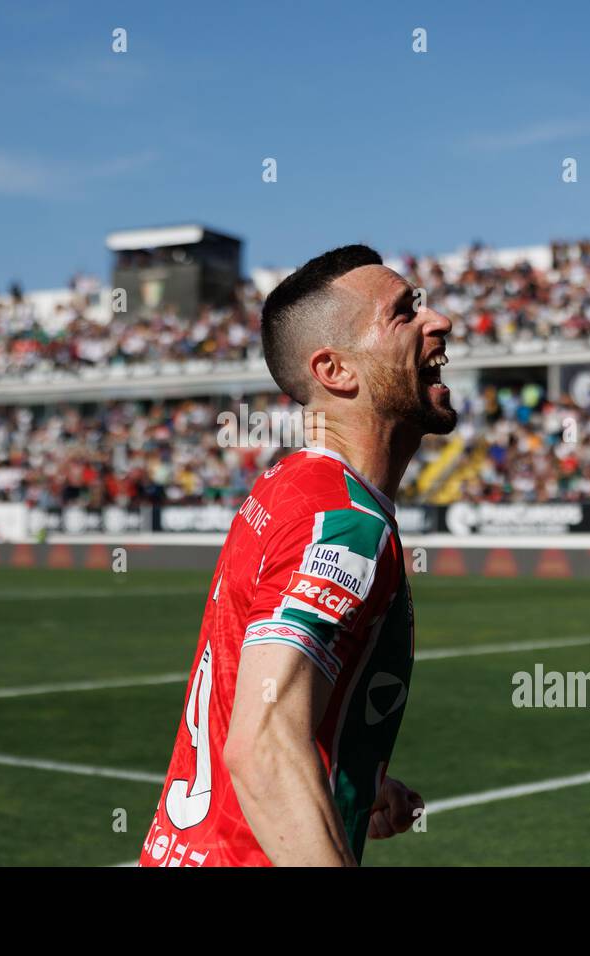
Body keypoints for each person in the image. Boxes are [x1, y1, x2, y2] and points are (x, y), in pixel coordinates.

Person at [139, 245, 456, 866]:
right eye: (403, 314)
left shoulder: (290, 486)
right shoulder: (340, 521)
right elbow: (261, 747)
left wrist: (353, 777)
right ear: (335, 371)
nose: (437, 321)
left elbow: (260, 707)